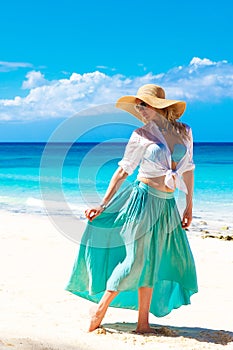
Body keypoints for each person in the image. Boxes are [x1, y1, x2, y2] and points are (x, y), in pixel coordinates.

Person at [65, 84, 198, 333]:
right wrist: (103, 204)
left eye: (143, 104)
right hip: (142, 200)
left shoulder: (185, 132)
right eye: (138, 105)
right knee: (135, 259)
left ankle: (143, 323)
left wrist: (189, 205)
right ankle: (100, 308)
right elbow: (124, 170)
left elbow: (188, 169)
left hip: (167, 205)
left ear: (158, 105)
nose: (139, 109)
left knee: (153, 262)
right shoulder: (141, 135)